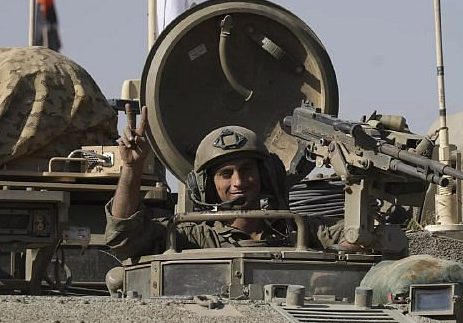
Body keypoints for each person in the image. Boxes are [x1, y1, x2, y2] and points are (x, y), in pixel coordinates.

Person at [104, 105, 347, 260]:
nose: (238, 182)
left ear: (264, 174)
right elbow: (123, 239)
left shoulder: (297, 230)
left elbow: (355, 235)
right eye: (226, 174)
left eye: (247, 170)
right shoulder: (193, 236)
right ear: (208, 186)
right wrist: (132, 168)